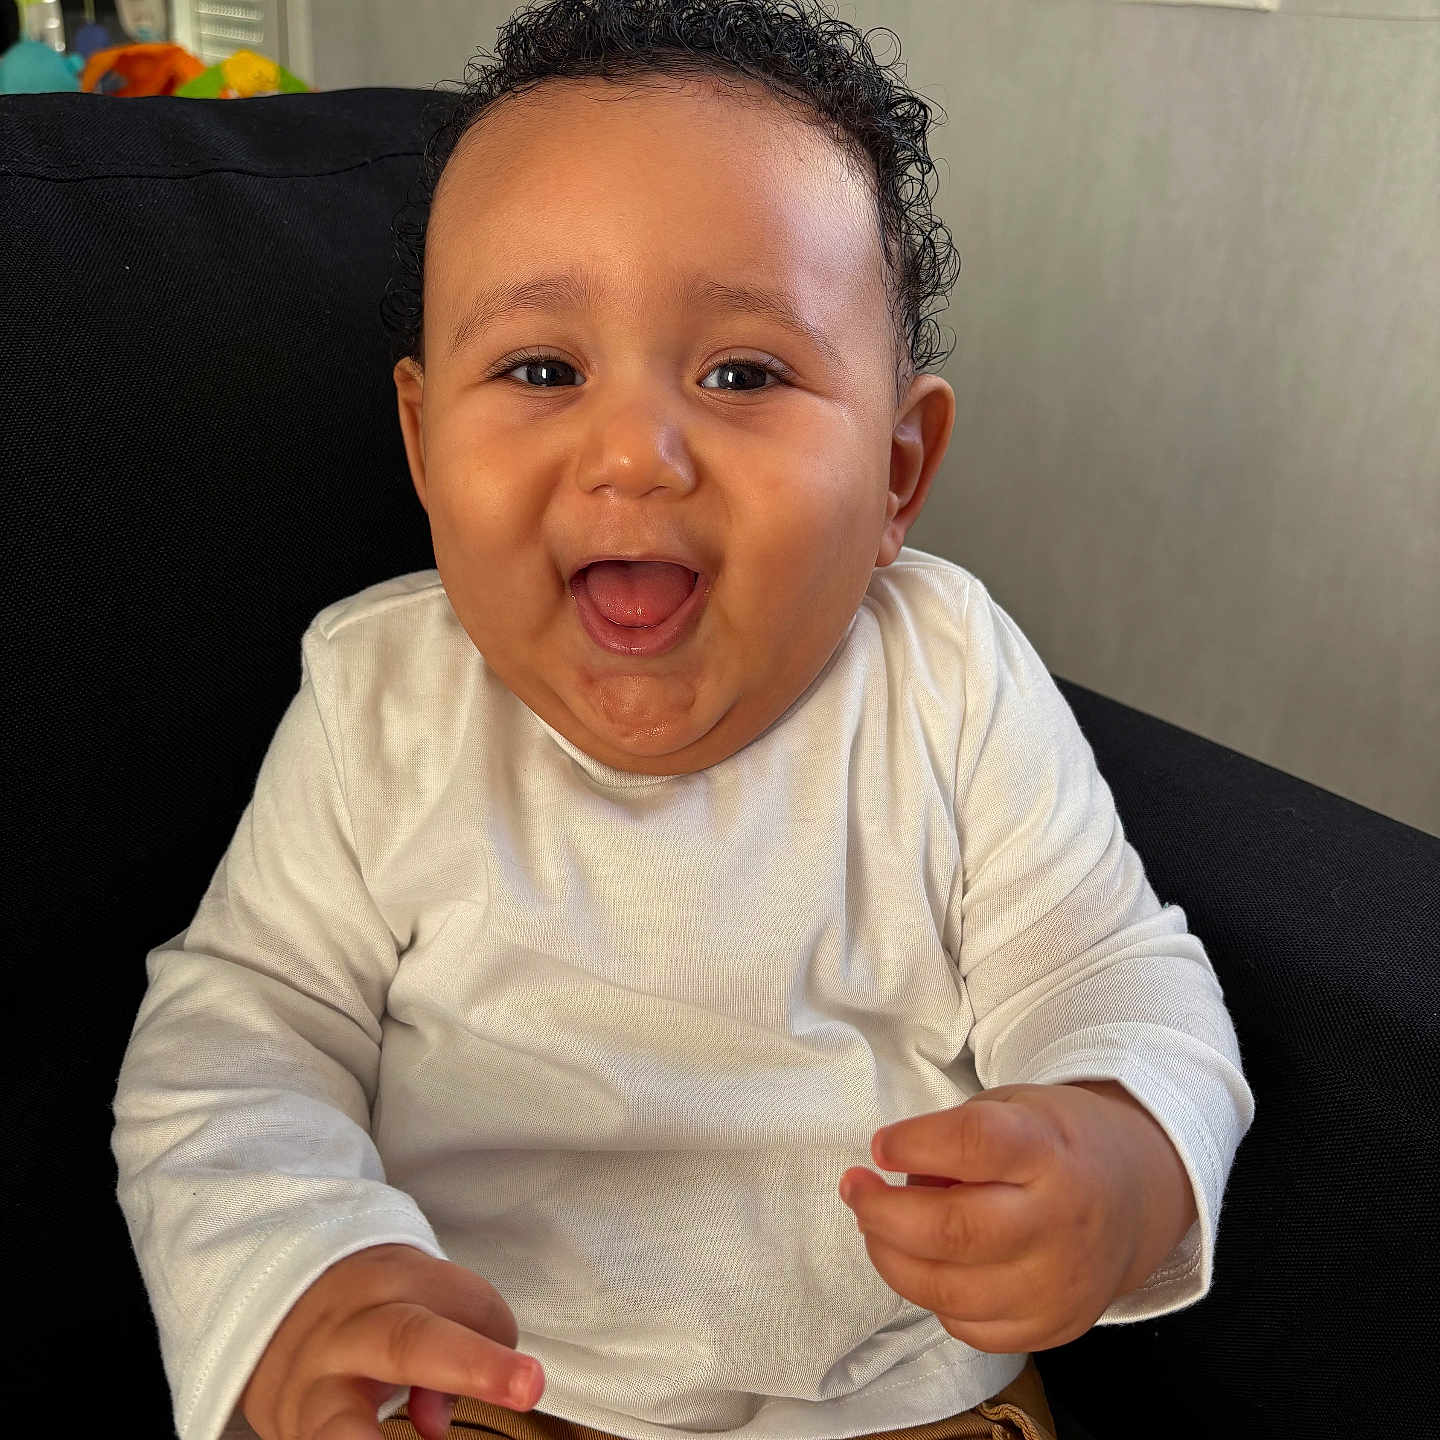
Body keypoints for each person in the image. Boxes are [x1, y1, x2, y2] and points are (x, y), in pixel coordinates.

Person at [110, 3, 1256, 1440]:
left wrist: (1123, 1153)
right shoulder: (378, 699)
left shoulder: (949, 680)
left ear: (899, 475)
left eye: (742, 373)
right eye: (541, 369)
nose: (633, 455)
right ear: (420, 443)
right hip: (487, 1391)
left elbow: (1114, 969)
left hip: (902, 1406)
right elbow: (240, 1033)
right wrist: (299, 1278)